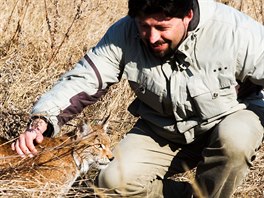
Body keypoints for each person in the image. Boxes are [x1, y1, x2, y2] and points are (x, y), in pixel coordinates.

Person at [11, 0, 264, 197]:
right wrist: (41, 121)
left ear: (187, 15)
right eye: (145, 26)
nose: (152, 38)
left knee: (235, 140)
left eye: (162, 27)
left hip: (229, 117)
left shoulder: (235, 31)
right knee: (109, 183)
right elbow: (84, 79)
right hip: (162, 129)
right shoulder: (123, 33)